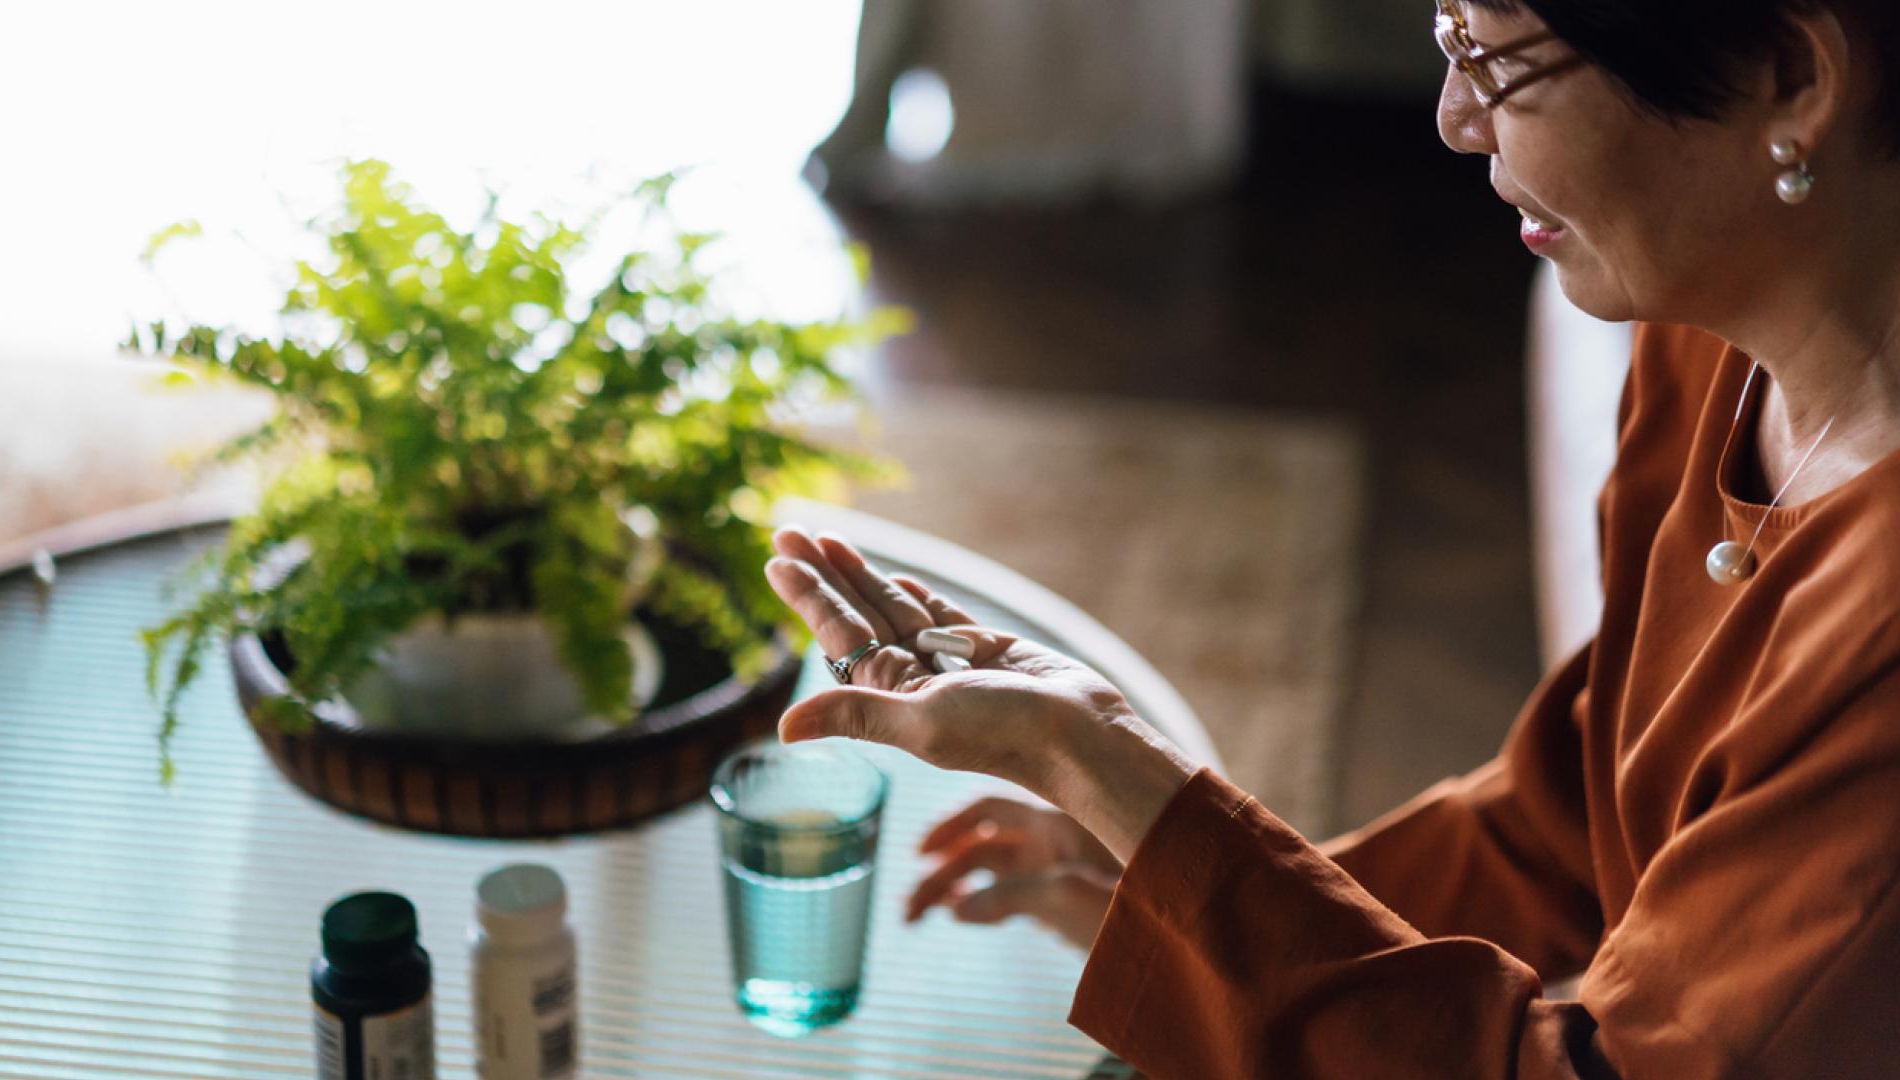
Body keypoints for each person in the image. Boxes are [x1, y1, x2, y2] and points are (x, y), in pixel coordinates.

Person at [763, 0, 1900, 1073]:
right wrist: (1170, 883)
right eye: (1444, 33)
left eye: (1495, 53)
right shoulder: (1715, 337)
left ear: (1791, 79)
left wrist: (1103, 763)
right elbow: (1567, 825)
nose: (1455, 119)